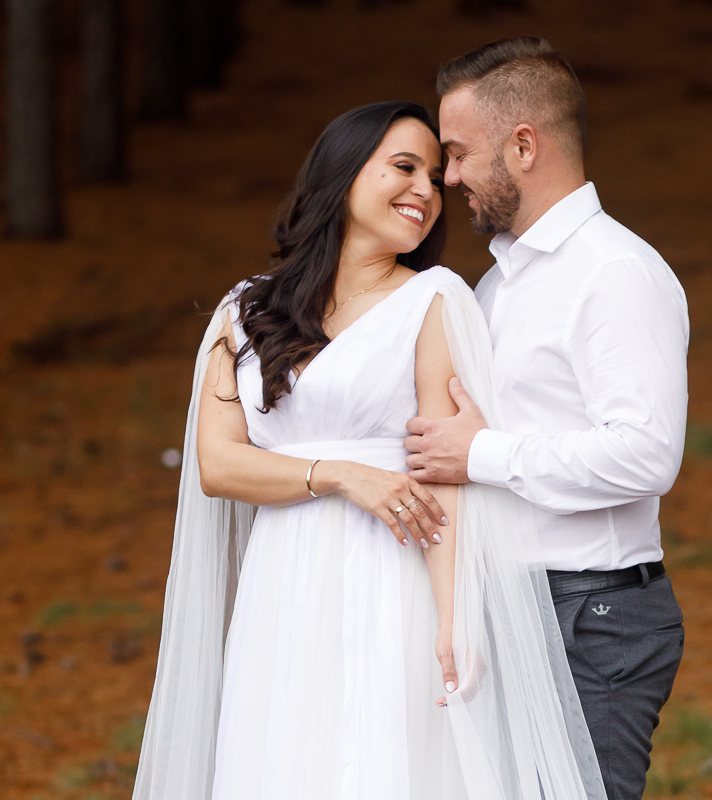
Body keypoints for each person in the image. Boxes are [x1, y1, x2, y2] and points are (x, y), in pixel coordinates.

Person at [131, 101, 608, 800]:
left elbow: (444, 470)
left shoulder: (434, 300)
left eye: (435, 176)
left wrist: (455, 617)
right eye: (404, 167)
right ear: (343, 174)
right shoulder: (244, 311)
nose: (424, 190)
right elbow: (218, 464)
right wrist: (343, 475)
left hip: (393, 575)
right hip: (282, 588)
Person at [405, 39, 690, 800]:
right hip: (519, 609)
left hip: (593, 620)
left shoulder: (614, 274)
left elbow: (645, 455)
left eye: (459, 154)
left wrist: (483, 453)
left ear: (523, 145)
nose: (448, 177)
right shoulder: (499, 285)